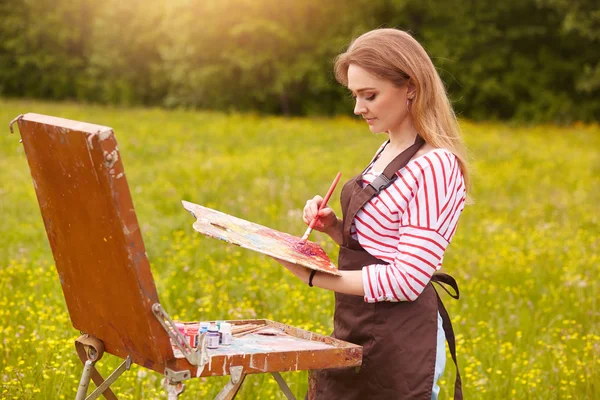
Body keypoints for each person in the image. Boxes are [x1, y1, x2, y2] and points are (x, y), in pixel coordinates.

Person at [274, 28, 468, 400]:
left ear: (410, 87)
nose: (357, 108)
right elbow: (382, 246)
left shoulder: (436, 165)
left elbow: (408, 278)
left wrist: (318, 278)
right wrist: (336, 228)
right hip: (358, 324)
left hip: (401, 341)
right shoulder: (388, 148)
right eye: (355, 95)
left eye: (369, 95)